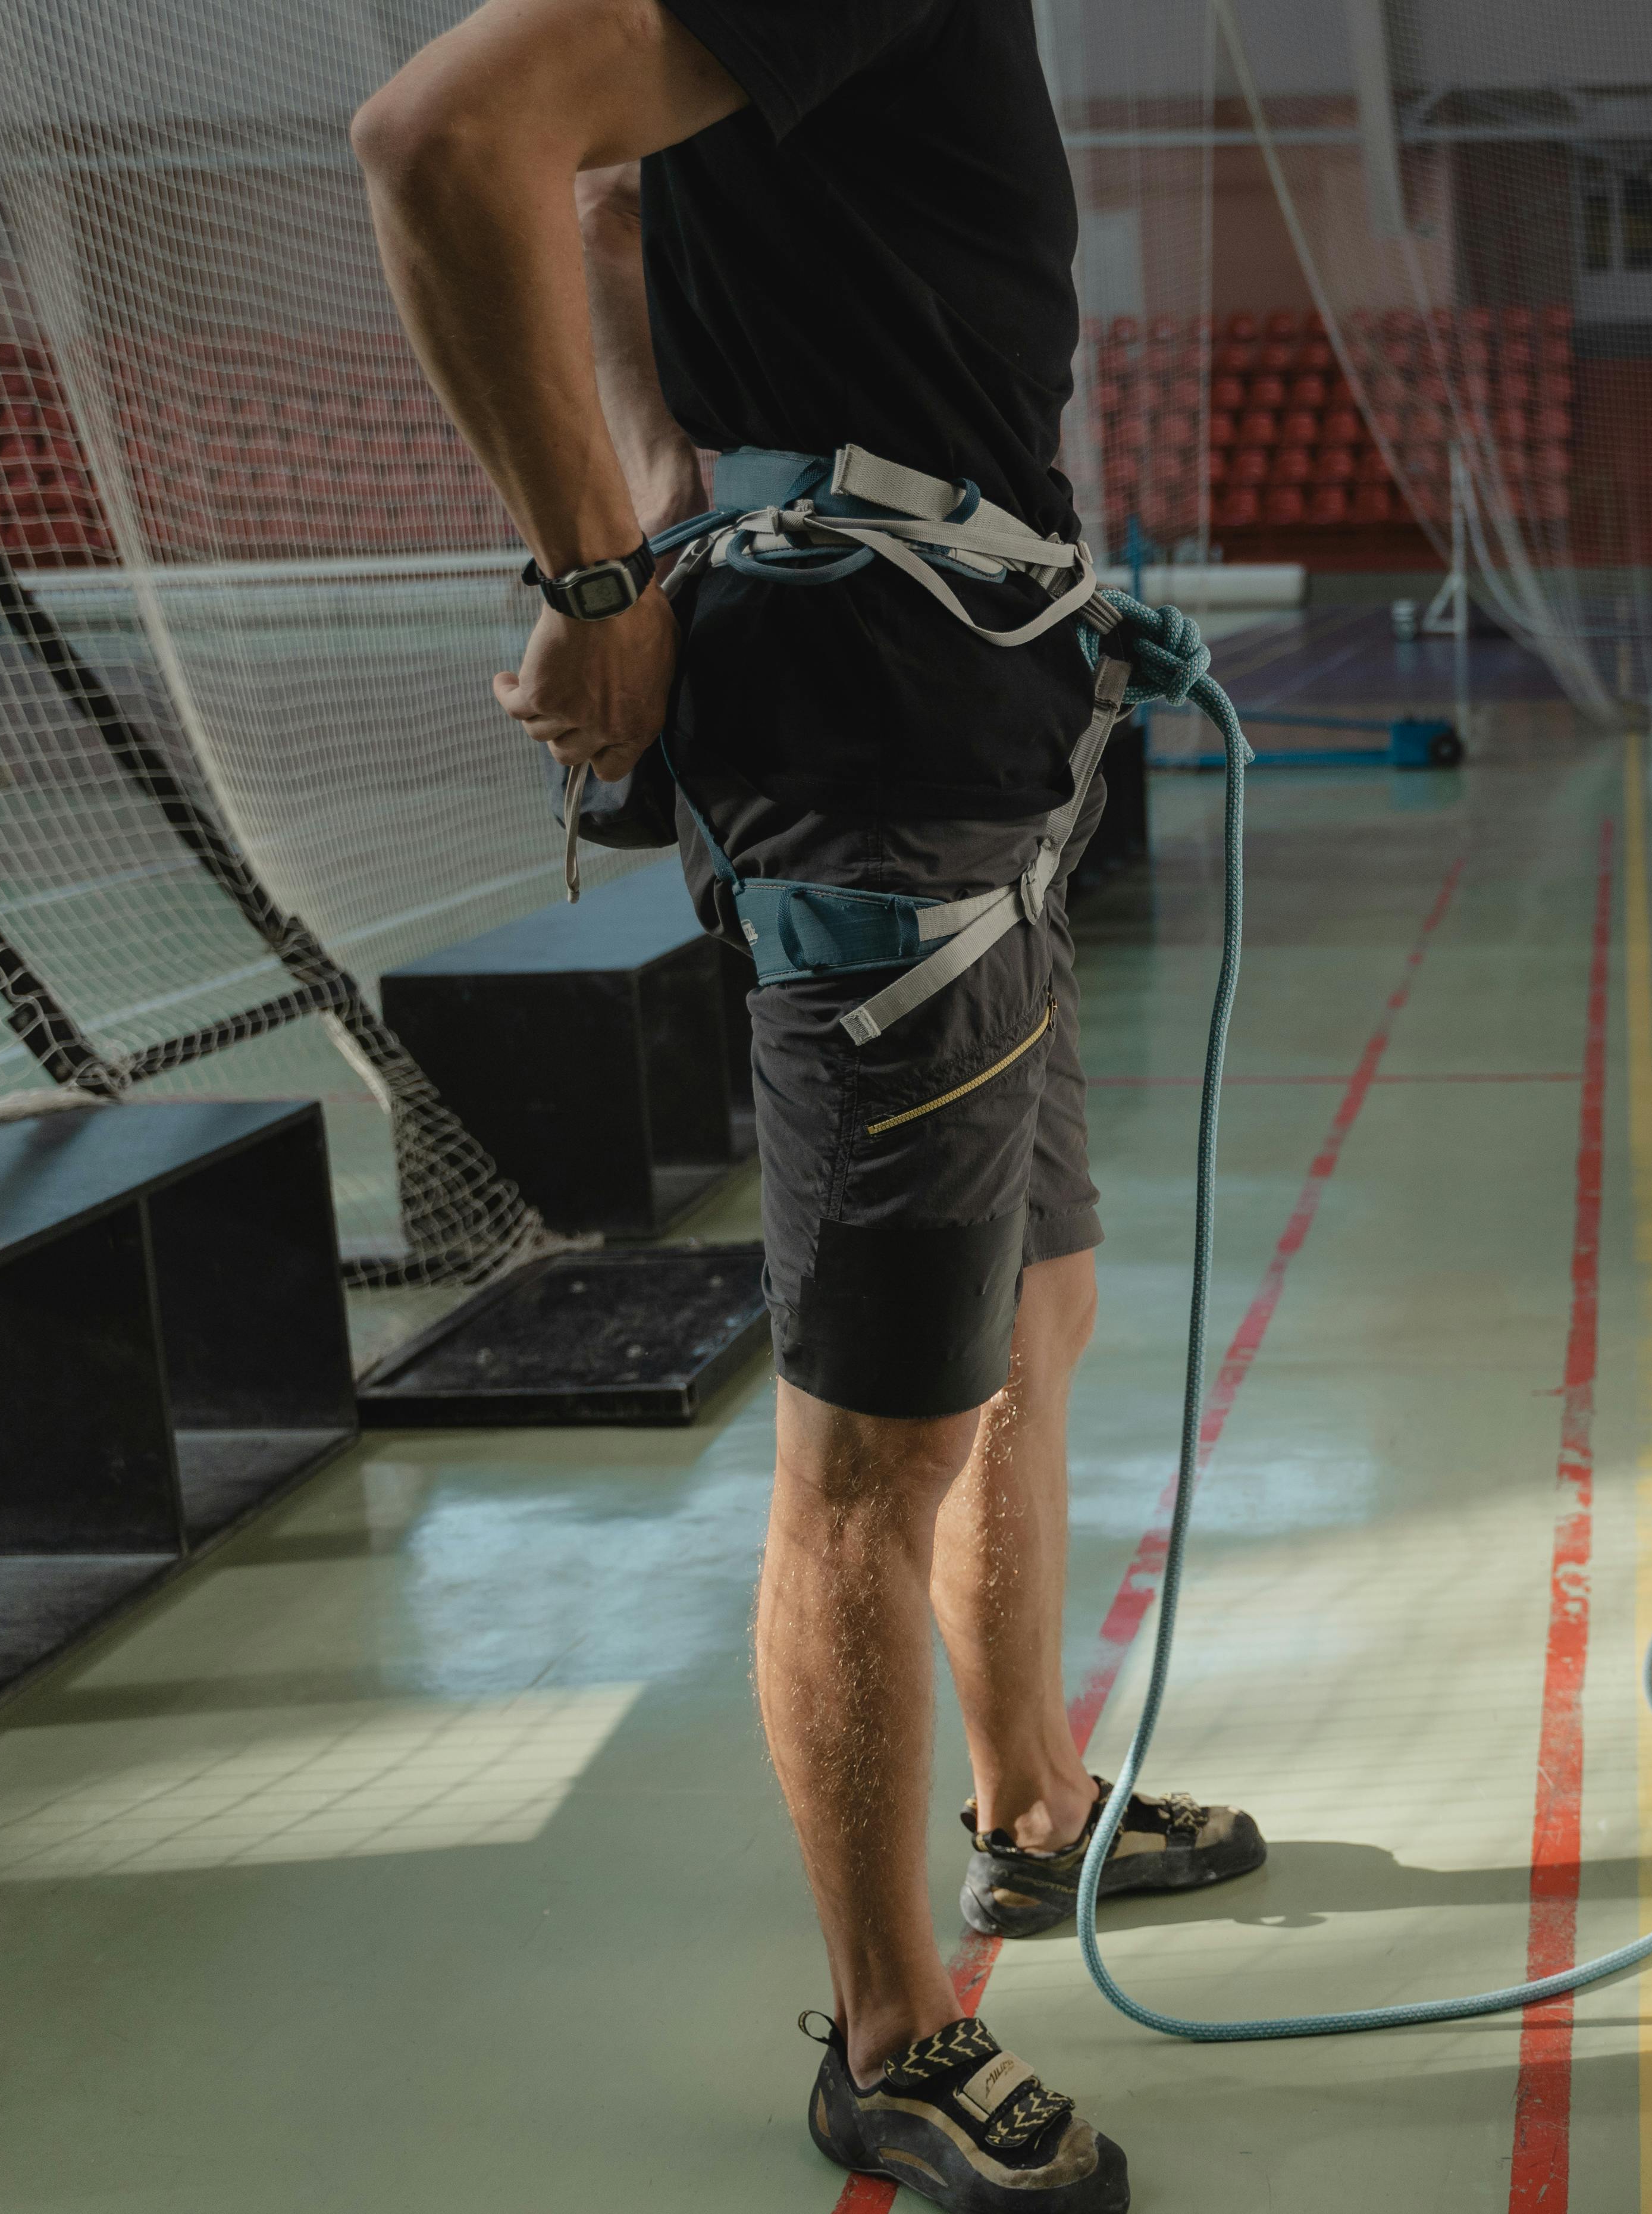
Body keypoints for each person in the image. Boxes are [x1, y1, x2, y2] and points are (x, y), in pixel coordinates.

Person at [354, 4, 1261, 2206]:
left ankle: (1031, 1804)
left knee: (1031, 1309)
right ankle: (887, 2032)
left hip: (970, 724)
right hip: (875, 770)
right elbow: (446, 138)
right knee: (870, 1447)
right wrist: (597, 565)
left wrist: (671, 502)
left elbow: (621, 207)